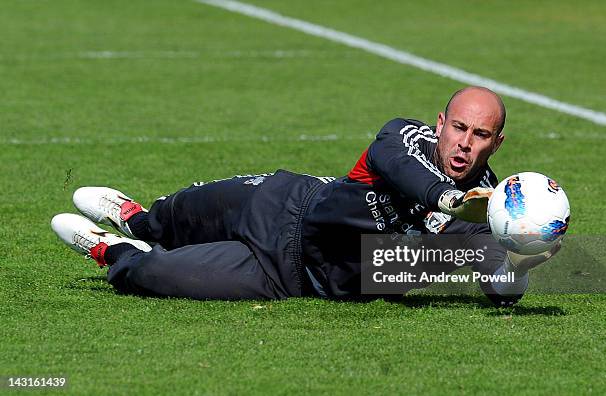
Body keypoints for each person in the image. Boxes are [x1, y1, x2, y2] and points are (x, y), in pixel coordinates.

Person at [51, 86, 558, 306]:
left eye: (481, 135)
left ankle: (109, 248)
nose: (464, 144)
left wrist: (513, 272)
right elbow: (396, 167)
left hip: (292, 278)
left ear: (497, 143)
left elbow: (494, 277)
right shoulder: (406, 137)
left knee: (156, 274)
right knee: (175, 215)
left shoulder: (491, 210)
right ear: (441, 123)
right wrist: (448, 201)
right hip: (284, 205)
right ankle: (135, 219)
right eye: (459, 128)